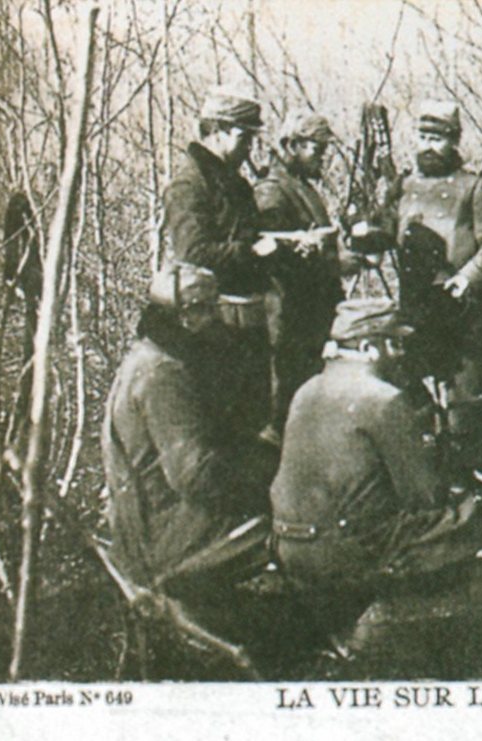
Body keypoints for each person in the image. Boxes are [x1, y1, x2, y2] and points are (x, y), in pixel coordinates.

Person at [270, 298, 479, 665]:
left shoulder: (306, 389)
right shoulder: (384, 399)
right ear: (369, 348)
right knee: (463, 515)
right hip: (341, 553)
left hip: (288, 547)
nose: (400, 354)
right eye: (394, 344)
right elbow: (424, 496)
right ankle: (400, 620)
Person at [101, 263, 273, 599]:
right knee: (296, 520)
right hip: (162, 542)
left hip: (149, 525)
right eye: (208, 309)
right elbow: (195, 475)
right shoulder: (162, 375)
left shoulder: (147, 357)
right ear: (185, 316)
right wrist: (271, 477)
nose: (217, 320)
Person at [394, 100, 482, 469]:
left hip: (463, 313)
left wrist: (467, 278)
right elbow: (387, 235)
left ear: (454, 141)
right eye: (423, 136)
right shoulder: (403, 186)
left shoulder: (476, 187)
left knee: (463, 406)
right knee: (416, 402)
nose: (428, 146)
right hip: (416, 311)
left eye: (437, 138)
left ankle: (472, 481)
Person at [162, 85, 275, 436]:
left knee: (254, 423)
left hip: (250, 325)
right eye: (243, 137)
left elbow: (248, 237)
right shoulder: (189, 185)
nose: (249, 148)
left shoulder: (235, 184)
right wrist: (250, 252)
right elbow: (192, 253)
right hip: (216, 328)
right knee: (226, 429)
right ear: (216, 131)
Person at [254, 109, 353, 440]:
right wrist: (330, 262)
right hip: (289, 322)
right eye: (316, 148)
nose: (322, 157)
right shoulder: (272, 191)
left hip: (311, 321)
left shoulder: (299, 187)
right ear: (292, 145)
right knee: (286, 412)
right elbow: (272, 258)